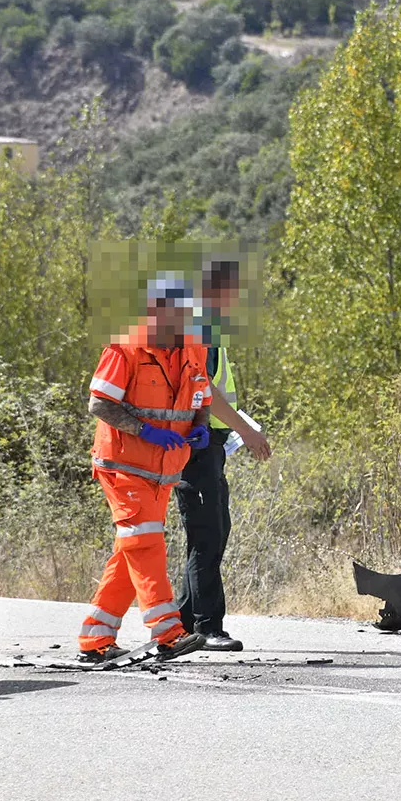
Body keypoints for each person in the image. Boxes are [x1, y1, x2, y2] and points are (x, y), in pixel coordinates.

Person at [77, 273, 210, 664]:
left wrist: (200, 427)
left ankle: (95, 637)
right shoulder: (124, 348)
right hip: (122, 466)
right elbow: (99, 403)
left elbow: (200, 396)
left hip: (165, 469)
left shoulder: (194, 347)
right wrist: (144, 430)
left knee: (132, 547)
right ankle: (168, 632)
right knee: (146, 541)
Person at [174, 259, 273, 652]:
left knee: (214, 531)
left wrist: (237, 430)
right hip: (194, 446)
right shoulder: (198, 327)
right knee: (207, 534)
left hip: (209, 444)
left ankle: (183, 622)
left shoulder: (210, 329)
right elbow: (206, 391)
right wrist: (247, 431)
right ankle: (207, 627)